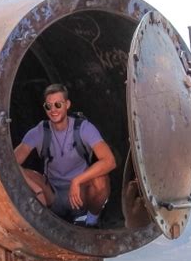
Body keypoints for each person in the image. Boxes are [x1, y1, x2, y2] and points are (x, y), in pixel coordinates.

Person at [14, 84, 116, 226]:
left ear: (67, 105)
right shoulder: (39, 131)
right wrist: (36, 189)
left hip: (80, 194)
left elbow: (110, 161)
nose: (53, 110)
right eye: (48, 106)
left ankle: (91, 222)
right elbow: (9, 163)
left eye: (58, 104)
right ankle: (40, 221)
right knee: (24, 175)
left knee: (100, 179)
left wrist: (77, 180)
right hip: (52, 194)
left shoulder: (83, 128)